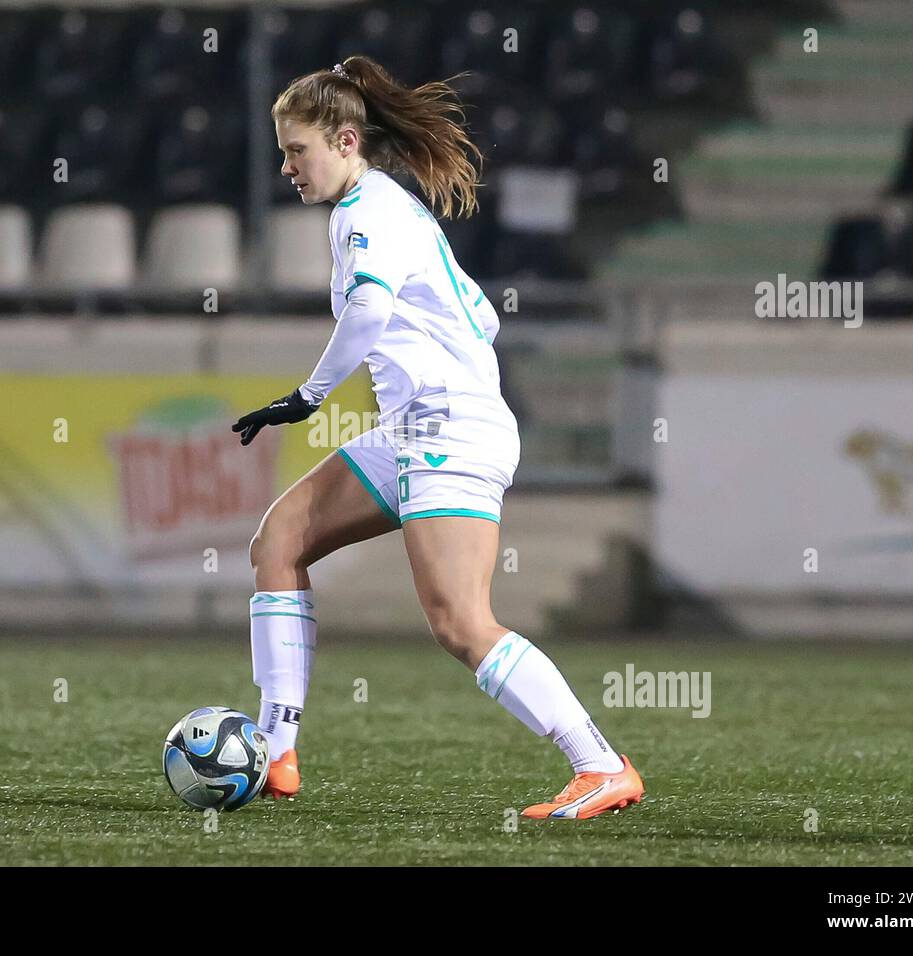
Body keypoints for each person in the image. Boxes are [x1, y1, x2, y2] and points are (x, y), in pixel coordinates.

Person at [232, 56, 644, 820]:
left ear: (347, 140)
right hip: (421, 424)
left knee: (460, 622)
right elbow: (481, 314)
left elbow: (367, 313)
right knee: (279, 539)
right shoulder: (387, 202)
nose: (286, 166)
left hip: (448, 427)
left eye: (297, 150)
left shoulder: (366, 214)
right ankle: (274, 750)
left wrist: (307, 398)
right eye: (284, 150)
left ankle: (601, 765)